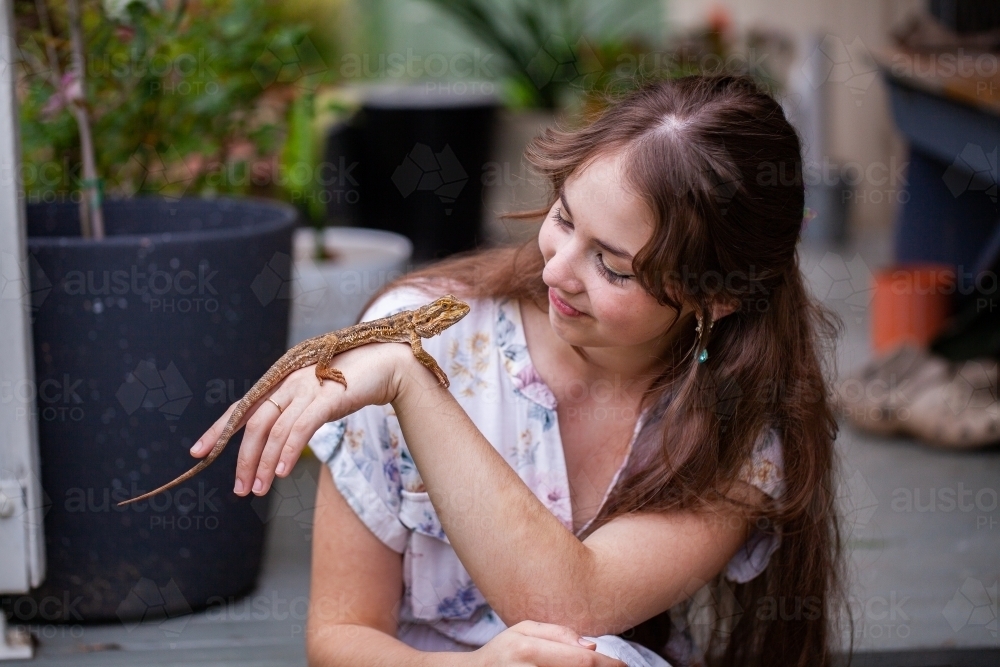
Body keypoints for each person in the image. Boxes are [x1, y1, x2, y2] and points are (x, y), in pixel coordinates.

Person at [190, 74, 846, 666]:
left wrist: (413, 387)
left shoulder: (737, 425)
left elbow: (575, 602)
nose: (556, 269)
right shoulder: (412, 333)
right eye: (563, 217)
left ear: (716, 295)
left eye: (613, 266)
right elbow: (338, 636)